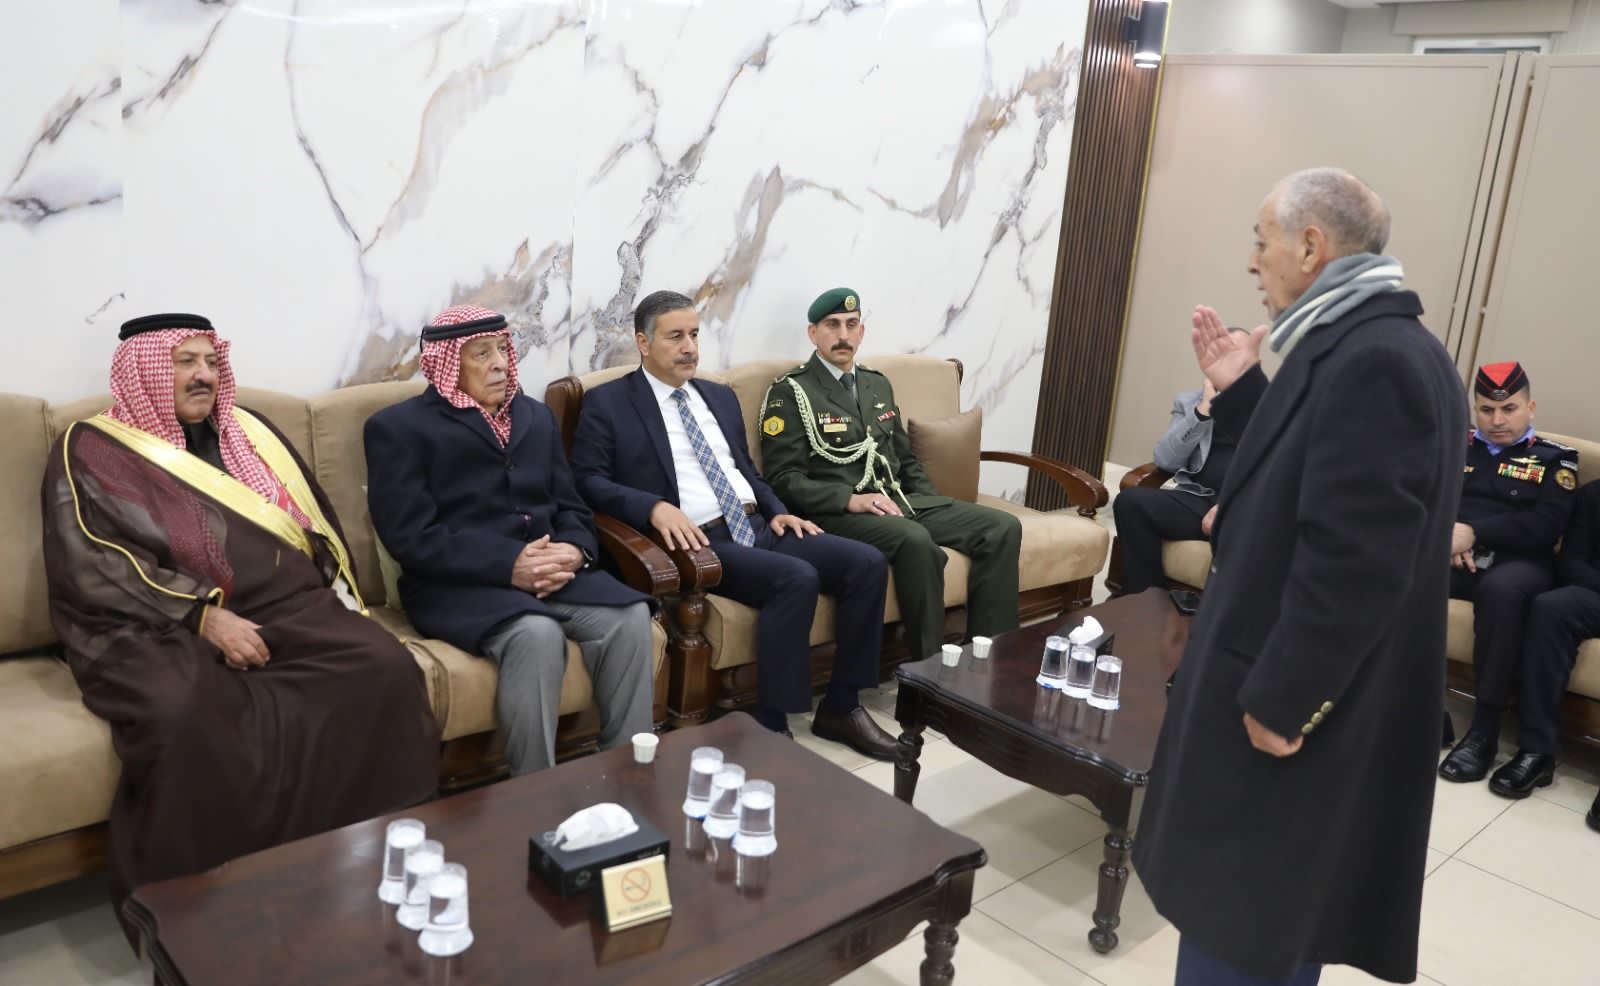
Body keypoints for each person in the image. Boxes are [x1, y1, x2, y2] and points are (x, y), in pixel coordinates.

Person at [1132, 168, 1466, 985]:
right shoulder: (1357, 346)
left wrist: (1284, 702)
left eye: (1262, 241)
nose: (1253, 261)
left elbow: (1356, 563)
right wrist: (1245, 396)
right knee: (1270, 927)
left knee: (1241, 928)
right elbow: (1313, 473)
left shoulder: (1377, 362)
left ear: (1311, 246)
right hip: (1294, 711)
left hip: (1289, 724)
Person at [41, 313, 439, 938]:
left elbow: (309, 522)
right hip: (153, 621)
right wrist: (201, 614)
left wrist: (333, 592)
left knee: (382, 667)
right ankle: (195, 908)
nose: (203, 374)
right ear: (146, 370)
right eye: (185, 362)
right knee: (181, 711)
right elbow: (94, 559)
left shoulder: (250, 431)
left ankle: (364, 855)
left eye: (211, 361)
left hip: (283, 607)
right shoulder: (94, 446)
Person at [569, 291, 898, 757]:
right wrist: (652, 508)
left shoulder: (719, 397)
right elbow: (586, 480)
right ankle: (771, 724)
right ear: (643, 342)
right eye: (675, 337)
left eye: (694, 334)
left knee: (865, 564)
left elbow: (746, 471)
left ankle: (841, 707)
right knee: (796, 578)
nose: (690, 347)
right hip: (696, 540)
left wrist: (777, 509)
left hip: (757, 525)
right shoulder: (609, 403)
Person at [364, 305, 654, 775]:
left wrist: (575, 550)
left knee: (631, 616)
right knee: (536, 634)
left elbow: (573, 506)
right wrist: (509, 563)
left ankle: (626, 772)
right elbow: (410, 535)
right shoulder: (398, 429)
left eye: (502, 349)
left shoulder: (536, 417)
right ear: (446, 363)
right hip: (460, 586)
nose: (500, 363)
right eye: (482, 354)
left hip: (550, 574)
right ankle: (534, 790)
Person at [757, 288, 1022, 664]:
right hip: (838, 513)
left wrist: (933, 505)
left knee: (1002, 527)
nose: (843, 335)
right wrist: (851, 500)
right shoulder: (791, 392)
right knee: (914, 539)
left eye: (851, 325)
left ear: (862, 332)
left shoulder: (876, 383)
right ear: (813, 333)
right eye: (832, 325)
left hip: (897, 502)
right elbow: (784, 478)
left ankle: (988, 658)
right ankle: (930, 669)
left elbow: (904, 458)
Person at [1438, 361, 1578, 783]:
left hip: (1519, 564)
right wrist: (1447, 537)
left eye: (1509, 409)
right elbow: (1426, 497)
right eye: (1486, 410)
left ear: (1530, 407)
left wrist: (1474, 533)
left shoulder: (1555, 459)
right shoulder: (1454, 445)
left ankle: (1483, 732)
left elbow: (1547, 524)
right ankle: (1423, 709)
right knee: (1397, 576)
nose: (1497, 420)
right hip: (1451, 554)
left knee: (1502, 592)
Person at [1495, 478, 1600, 815]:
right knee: (1550, 608)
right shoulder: (1593, 494)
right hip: (1595, 593)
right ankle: (1537, 750)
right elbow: (1571, 561)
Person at [1113, 334, 1248, 594]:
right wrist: (1203, 411)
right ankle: (1146, 600)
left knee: (1240, 529)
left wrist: (1231, 504)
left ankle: (1212, 614)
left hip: (1241, 504)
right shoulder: (1189, 402)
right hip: (1197, 500)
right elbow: (1166, 460)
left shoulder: (1270, 407)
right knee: (1130, 502)